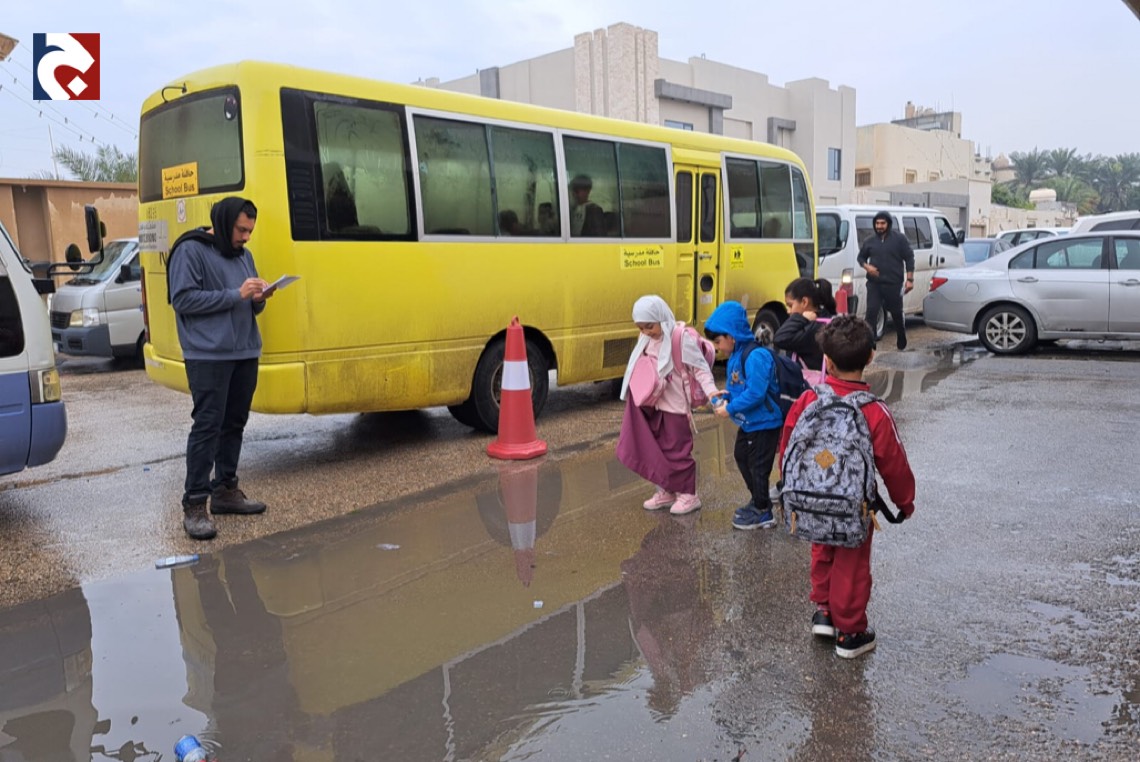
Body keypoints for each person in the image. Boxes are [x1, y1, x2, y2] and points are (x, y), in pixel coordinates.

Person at [778, 315, 916, 659]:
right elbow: (893, 462)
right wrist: (905, 502)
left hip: (810, 499)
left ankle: (824, 613)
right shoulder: (874, 411)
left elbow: (788, 445)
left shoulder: (807, 400)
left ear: (826, 361)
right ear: (870, 356)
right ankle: (851, 633)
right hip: (854, 505)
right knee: (851, 565)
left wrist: (790, 486)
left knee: (821, 549)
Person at [168, 197, 272, 541]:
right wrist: (235, 294)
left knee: (234, 424)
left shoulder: (244, 255)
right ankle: (195, 505)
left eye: (250, 231)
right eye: (241, 229)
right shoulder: (191, 249)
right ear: (225, 222)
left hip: (245, 351)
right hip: (208, 355)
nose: (246, 237)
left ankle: (225, 491)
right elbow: (183, 299)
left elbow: (248, 305)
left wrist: (258, 299)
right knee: (207, 427)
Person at [616, 295, 718, 516]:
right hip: (654, 405)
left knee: (678, 452)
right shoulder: (646, 339)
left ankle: (689, 495)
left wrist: (712, 394)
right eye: (640, 328)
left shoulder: (679, 338)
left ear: (661, 318)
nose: (646, 332)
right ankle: (667, 490)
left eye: (649, 326)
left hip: (676, 407)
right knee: (658, 450)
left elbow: (700, 369)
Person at [703, 300, 783, 530]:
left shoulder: (755, 356)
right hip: (750, 422)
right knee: (742, 457)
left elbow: (756, 393)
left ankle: (763, 511)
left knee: (758, 466)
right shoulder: (737, 355)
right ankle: (758, 500)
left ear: (731, 336)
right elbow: (742, 387)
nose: (717, 347)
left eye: (718, 341)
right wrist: (727, 396)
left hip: (764, 422)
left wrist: (729, 409)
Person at [856, 211, 915, 350]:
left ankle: (901, 336)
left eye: (882, 223)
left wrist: (910, 279)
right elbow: (861, 257)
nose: (879, 226)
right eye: (877, 223)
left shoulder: (899, 239)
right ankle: (870, 345)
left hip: (893, 284)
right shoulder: (870, 241)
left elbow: (909, 258)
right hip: (874, 284)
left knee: (896, 313)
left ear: (888, 224)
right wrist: (867, 267)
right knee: (871, 312)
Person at [774, 277, 837, 381]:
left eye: (790, 305)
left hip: (809, 386)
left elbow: (780, 338)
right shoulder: (829, 321)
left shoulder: (813, 328)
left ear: (804, 302)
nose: (788, 311)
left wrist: (801, 318)